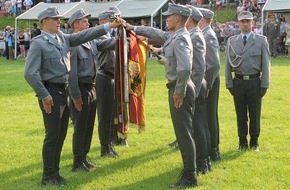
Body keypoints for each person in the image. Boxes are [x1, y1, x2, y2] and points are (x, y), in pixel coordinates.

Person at [24, 7, 121, 187]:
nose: (58, 21)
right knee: (52, 136)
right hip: (51, 93)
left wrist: (108, 27)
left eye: (59, 19)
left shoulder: (63, 38)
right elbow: (30, 73)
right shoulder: (39, 43)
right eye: (55, 19)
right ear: (45, 21)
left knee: (60, 136)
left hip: (63, 91)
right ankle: (47, 176)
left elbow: (85, 36)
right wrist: (44, 95)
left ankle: (55, 173)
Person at [126, 3, 198, 189]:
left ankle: (190, 176)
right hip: (177, 86)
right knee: (183, 133)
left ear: (178, 18)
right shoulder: (175, 35)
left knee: (184, 134)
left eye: (169, 15)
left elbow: (185, 68)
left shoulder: (181, 38)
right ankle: (189, 171)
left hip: (179, 88)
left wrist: (179, 92)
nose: (166, 18)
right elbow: (156, 34)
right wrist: (134, 28)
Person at [225, 11, 270, 152]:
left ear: (253, 23)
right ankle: (242, 142)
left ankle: (254, 142)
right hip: (238, 82)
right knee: (240, 115)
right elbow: (227, 64)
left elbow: (266, 64)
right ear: (239, 23)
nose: (245, 24)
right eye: (242, 21)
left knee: (255, 114)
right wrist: (229, 83)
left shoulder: (261, 41)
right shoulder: (232, 41)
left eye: (248, 21)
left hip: (254, 81)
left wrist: (265, 84)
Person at [67, 9, 104, 172]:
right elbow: (72, 74)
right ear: (75, 24)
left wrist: (121, 35)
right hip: (81, 89)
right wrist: (75, 96)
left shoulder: (90, 41)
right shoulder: (73, 44)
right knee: (80, 127)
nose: (88, 24)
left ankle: (84, 157)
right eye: (84, 21)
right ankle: (77, 161)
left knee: (88, 125)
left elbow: (106, 45)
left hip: (91, 87)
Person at [186, 5, 211, 174]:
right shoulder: (194, 34)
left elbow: (199, 67)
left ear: (189, 19)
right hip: (198, 83)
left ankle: (202, 162)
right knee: (200, 124)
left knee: (198, 125)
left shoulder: (195, 36)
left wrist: (193, 91)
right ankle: (204, 160)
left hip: (196, 84)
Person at [95, 10, 120, 158]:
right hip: (103, 76)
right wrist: (119, 40)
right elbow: (104, 45)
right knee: (104, 115)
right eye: (113, 20)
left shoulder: (109, 35)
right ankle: (105, 147)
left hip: (110, 77)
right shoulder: (99, 34)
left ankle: (109, 143)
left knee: (110, 114)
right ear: (105, 21)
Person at [198, 8, 221, 161]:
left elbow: (213, 65)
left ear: (202, 19)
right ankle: (210, 147)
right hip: (207, 79)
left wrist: (208, 84)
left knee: (210, 115)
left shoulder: (208, 35)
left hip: (210, 79)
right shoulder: (204, 34)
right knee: (206, 115)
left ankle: (214, 149)